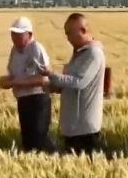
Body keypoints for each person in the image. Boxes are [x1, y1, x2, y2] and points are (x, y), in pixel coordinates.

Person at [38, 13, 106, 155]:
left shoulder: (93, 54)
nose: (68, 38)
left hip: (85, 128)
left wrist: (51, 74)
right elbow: (69, 82)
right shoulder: (79, 53)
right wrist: (53, 86)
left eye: (70, 33)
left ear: (83, 30)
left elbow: (79, 82)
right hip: (72, 126)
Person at [0, 17, 55, 153]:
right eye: (13, 34)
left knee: (39, 140)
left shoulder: (36, 48)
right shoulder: (14, 50)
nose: (15, 38)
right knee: (28, 142)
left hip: (38, 100)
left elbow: (43, 78)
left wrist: (14, 82)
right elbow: (13, 74)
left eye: (19, 34)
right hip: (22, 101)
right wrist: (4, 81)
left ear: (29, 34)